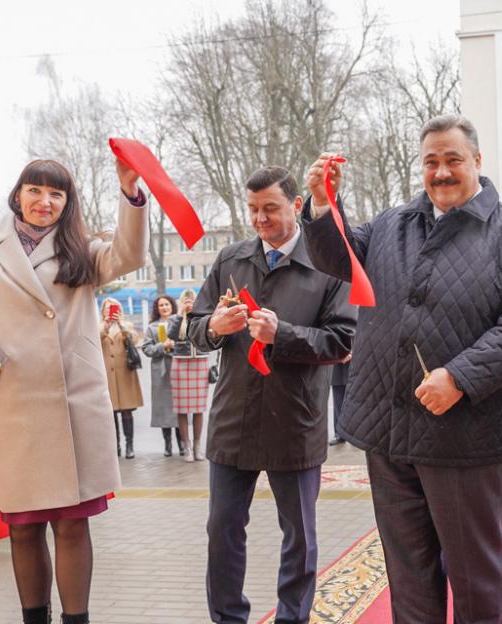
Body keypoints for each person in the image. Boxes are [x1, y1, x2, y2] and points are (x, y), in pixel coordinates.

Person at [304, 115, 502, 621]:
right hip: (389, 432)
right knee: (408, 576)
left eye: (453, 160)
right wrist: (321, 202)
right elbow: (341, 260)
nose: (441, 172)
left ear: (478, 162)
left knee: (474, 578)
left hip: (467, 439)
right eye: (431, 162)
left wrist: (461, 377)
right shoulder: (391, 224)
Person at [0, 158, 149, 624]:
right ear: (17, 195)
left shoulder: (83, 248)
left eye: (56, 194)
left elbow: (130, 255)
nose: (45, 201)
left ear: (66, 201)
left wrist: (131, 196)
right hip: (14, 404)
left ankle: (78, 620)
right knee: (23, 529)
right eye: (35, 190)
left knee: (72, 524)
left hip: (73, 405)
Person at [186, 166, 355, 623]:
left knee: (298, 535)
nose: (259, 219)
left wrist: (285, 334)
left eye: (270, 209)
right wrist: (212, 328)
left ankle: (291, 617)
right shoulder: (231, 259)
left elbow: (343, 341)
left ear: (297, 206)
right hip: (232, 419)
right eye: (253, 209)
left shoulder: (329, 262)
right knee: (222, 530)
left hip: (295, 418)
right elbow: (195, 329)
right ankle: (227, 617)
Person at [99, 297, 144, 459]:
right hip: (106, 375)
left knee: (126, 411)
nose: (110, 311)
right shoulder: (98, 326)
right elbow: (95, 339)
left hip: (124, 373)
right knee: (110, 413)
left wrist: (120, 325)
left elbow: (134, 339)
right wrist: (105, 324)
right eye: (107, 308)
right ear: (103, 310)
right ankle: (115, 446)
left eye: (114, 308)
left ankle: (129, 446)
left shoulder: (126, 325)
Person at [140, 294, 185, 457]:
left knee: (179, 407)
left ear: (172, 306)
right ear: (157, 309)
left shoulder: (180, 323)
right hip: (160, 371)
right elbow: (146, 349)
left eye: (166, 304)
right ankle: (167, 444)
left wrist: (176, 345)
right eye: (161, 305)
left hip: (178, 368)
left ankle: (182, 443)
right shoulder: (152, 327)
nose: (164, 307)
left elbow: (188, 343)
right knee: (163, 408)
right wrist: (161, 346)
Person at [168, 289, 207, 463]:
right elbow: (172, 335)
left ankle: (198, 446)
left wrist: (195, 313)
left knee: (199, 408)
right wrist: (181, 314)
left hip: (199, 363)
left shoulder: (202, 315)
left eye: (192, 300)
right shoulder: (175, 319)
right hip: (180, 363)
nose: (189, 303)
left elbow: (208, 335)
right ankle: (187, 447)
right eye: (186, 300)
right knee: (182, 409)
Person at [328, 355, 350, 446]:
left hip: (354, 362)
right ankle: (339, 434)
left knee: (356, 403)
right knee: (338, 402)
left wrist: (352, 352)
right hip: (336, 362)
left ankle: (356, 436)